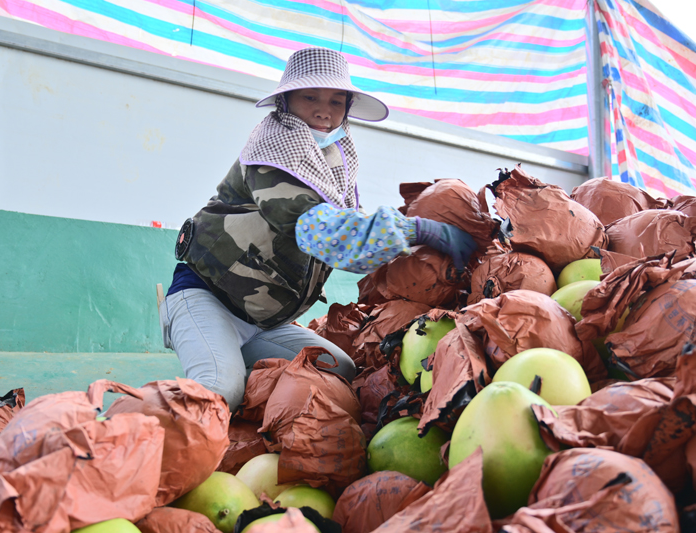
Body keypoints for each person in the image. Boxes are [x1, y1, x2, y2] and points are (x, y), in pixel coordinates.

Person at [161, 47, 476, 411]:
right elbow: (325, 233)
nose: (324, 110)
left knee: (337, 369)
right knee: (217, 393)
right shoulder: (272, 155)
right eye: (310, 97)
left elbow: (351, 226)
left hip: (262, 320)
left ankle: (229, 359)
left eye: (337, 101)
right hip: (206, 297)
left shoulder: (331, 161)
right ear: (285, 102)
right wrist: (416, 230)